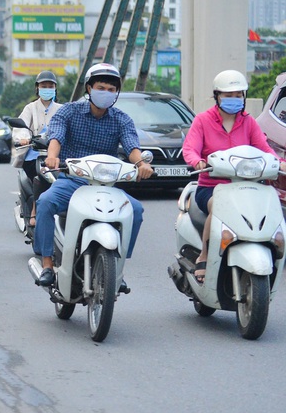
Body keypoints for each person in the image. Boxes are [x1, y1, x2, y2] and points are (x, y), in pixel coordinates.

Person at [34, 63, 153, 287]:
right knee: (45, 202)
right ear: (89, 88)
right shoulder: (68, 111)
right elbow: (56, 136)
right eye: (101, 88)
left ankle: (117, 267)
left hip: (106, 184)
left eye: (111, 90)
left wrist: (141, 164)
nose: (106, 93)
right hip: (73, 181)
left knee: (135, 210)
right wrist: (52, 157)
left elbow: (131, 146)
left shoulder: (121, 119)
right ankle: (48, 264)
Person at [182, 69, 286, 282]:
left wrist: (280, 163)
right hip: (211, 187)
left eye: (238, 95)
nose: (234, 99)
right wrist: (197, 161)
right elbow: (190, 149)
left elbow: (265, 149)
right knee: (217, 206)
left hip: (245, 186)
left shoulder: (248, 123)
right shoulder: (202, 120)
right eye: (228, 95)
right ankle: (204, 254)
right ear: (217, 96)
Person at [15, 71, 64, 227]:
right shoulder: (30, 108)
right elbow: (21, 125)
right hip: (34, 153)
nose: (47, 89)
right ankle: (35, 209)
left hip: (56, 153)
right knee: (39, 174)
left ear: (55, 88)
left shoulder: (62, 109)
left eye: (50, 86)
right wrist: (24, 137)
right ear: (37, 88)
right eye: (44, 86)